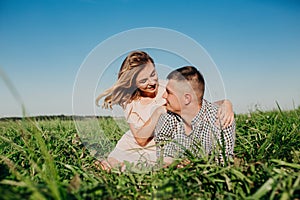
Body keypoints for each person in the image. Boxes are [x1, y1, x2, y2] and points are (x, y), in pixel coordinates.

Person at [96, 51, 234, 171]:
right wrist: (158, 112)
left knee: (154, 164)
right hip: (140, 141)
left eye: (153, 74)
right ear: (132, 83)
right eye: (143, 80)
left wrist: (225, 103)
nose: (152, 82)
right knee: (113, 163)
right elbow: (140, 139)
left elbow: (196, 101)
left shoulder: (165, 86)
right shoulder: (130, 101)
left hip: (159, 143)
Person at [154, 66, 235, 167]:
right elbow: (162, 155)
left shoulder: (221, 119)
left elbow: (223, 163)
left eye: (169, 92)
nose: (164, 96)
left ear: (187, 99)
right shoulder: (167, 116)